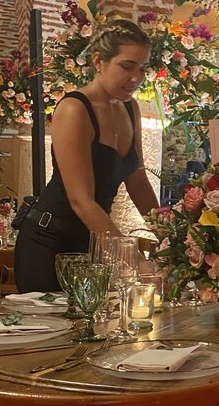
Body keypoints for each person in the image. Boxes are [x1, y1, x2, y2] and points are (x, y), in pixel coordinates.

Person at [14, 18, 159, 292]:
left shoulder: (131, 109)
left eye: (142, 68)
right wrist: (135, 260)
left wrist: (172, 237)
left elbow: (138, 182)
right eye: (127, 66)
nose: (136, 78)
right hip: (49, 241)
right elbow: (82, 202)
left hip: (92, 241)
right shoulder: (74, 108)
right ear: (98, 61)